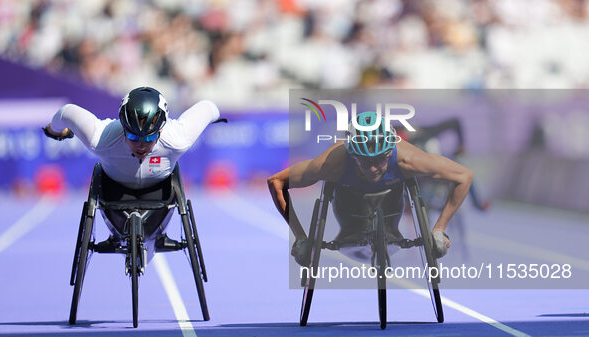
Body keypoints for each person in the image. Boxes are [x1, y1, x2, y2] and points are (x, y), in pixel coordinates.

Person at [267, 111, 473, 266]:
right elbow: (276, 182)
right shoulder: (331, 163)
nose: (374, 168)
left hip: (392, 213)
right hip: (348, 216)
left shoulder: (409, 159)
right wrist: (300, 237)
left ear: (390, 150)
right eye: (365, 162)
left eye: (381, 160)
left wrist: (439, 229)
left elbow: (464, 176)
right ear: (351, 154)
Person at [43, 86, 222, 259]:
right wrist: (54, 130)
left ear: (161, 130)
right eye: (133, 137)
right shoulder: (101, 137)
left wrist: (56, 131)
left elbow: (209, 108)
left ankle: (156, 234)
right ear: (123, 128)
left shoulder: (177, 138)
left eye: (150, 137)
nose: (141, 145)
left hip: (159, 195)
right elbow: (66, 112)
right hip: (115, 194)